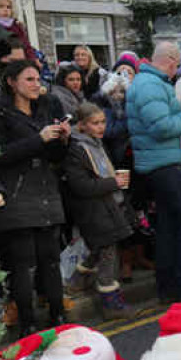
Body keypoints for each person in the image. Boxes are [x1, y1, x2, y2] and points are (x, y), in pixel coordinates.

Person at [0, 60, 71, 335]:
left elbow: (56, 157)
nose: (37, 85)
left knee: (51, 260)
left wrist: (62, 140)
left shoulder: (43, 111)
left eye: (38, 79)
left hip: (46, 190)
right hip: (17, 194)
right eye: (30, 79)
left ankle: (58, 318)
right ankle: (28, 325)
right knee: (23, 265)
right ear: (12, 82)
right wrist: (39, 139)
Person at [126, 42, 181, 302]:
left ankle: (170, 289)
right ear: (171, 60)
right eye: (178, 63)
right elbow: (162, 128)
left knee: (170, 230)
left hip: (164, 165)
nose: (178, 69)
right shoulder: (150, 85)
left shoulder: (151, 83)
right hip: (169, 167)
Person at [63, 103, 135, 319]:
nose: (101, 127)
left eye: (103, 122)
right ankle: (111, 303)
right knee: (107, 254)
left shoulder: (96, 144)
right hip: (92, 208)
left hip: (106, 205)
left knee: (102, 248)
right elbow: (82, 186)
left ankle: (76, 282)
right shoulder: (77, 149)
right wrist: (113, 183)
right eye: (95, 123)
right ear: (82, 126)